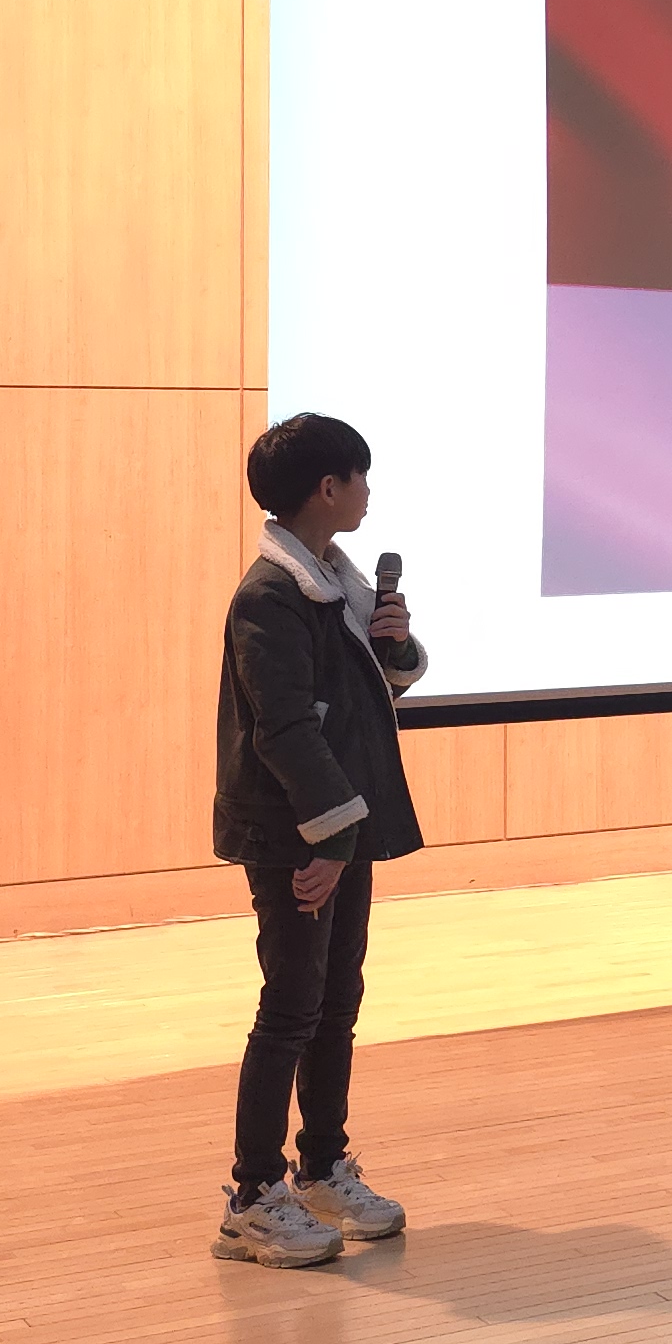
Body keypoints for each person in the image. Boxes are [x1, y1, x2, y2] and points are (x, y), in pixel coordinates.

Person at [211, 412, 427, 1268]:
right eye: (359, 477)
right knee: (291, 1010)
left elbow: (371, 694)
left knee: (337, 1003)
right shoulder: (269, 597)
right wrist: (328, 843)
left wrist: (394, 645)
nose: (368, 492)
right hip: (295, 834)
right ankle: (253, 1197)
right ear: (327, 488)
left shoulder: (336, 584)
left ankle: (323, 1168)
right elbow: (286, 730)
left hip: (341, 826)